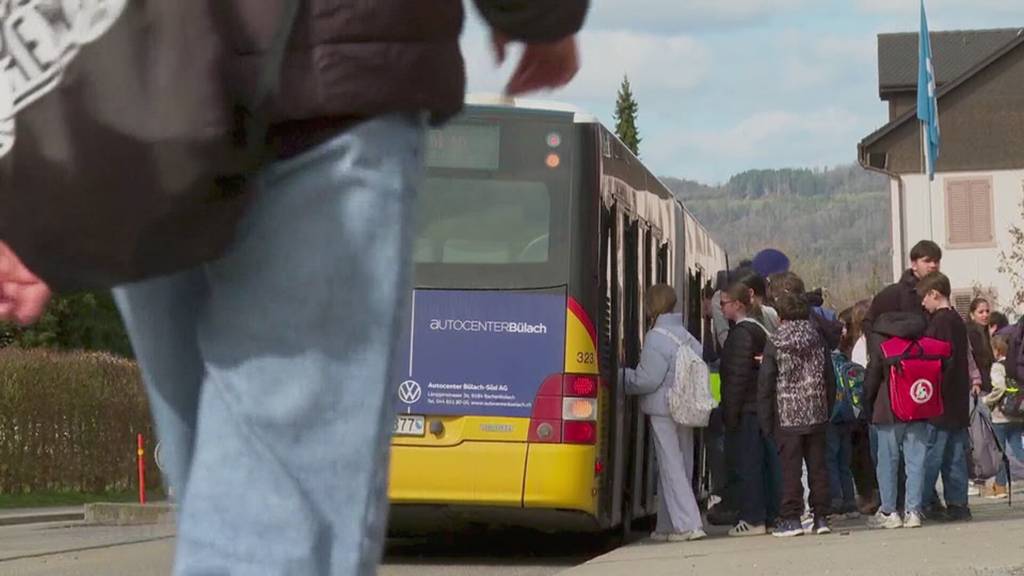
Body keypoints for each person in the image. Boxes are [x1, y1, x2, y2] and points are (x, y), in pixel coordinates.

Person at [0, 3, 589, 574]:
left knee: (216, 488)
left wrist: (22, 168)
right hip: (325, 82)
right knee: (270, 517)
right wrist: (542, 19)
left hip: (133, 98)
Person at [622, 284, 707, 542]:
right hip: (686, 407)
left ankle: (689, 525)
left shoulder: (655, 337)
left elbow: (647, 380)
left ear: (651, 305)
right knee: (682, 463)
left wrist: (622, 377)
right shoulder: (686, 335)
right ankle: (666, 525)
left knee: (670, 466)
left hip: (663, 408)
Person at [757, 294, 834, 537]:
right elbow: (829, 378)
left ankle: (792, 518)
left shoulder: (776, 341)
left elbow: (766, 383)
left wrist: (766, 421)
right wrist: (826, 407)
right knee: (818, 467)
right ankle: (821, 517)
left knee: (789, 469)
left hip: (787, 415)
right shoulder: (818, 338)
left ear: (781, 317)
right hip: (816, 412)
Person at [720, 282, 780, 536]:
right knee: (765, 465)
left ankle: (753, 518)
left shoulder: (740, 334)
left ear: (737, 304)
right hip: (761, 407)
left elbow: (736, 377)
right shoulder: (760, 330)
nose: (721, 308)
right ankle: (768, 515)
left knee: (749, 465)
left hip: (746, 409)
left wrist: (729, 415)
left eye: (723, 303)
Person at [918, 272, 973, 523]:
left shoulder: (939, 323)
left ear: (934, 294)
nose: (922, 304)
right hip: (958, 401)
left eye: (924, 298)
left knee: (932, 455)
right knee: (956, 455)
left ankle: (925, 501)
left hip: (940, 400)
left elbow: (936, 361)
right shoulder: (958, 322)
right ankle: (958, 503)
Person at [983, 334, 1024, 499]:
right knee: (1017, 448)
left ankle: (1000, 486)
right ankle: (1000, 485)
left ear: (997, 350)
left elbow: (999, 388)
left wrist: (987, 400)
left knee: (999, 452)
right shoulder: (1017, 366)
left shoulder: (998, 367)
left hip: (1000, 416)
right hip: (1018, 413)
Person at [968, 298, 994, 394]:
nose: (985, 315)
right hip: (978, 385)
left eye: (987, 311)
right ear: (972, 315)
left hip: (988, 381)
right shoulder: (971, 334)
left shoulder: (986, 332)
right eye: (981, 312)